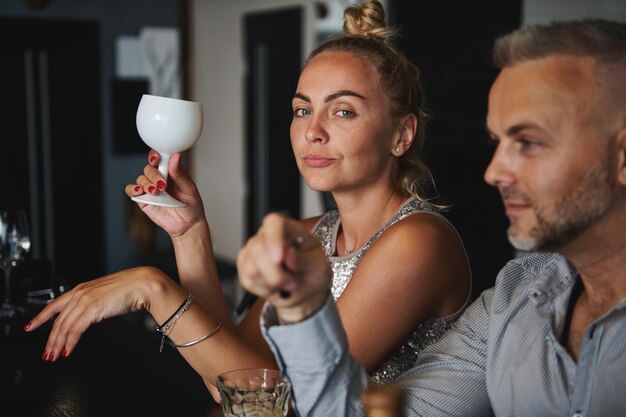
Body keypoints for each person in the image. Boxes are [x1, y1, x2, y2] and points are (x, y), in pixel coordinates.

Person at [24, 0, 471, 398]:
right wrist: (190, 234)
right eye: (302, 110)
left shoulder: (419, 242)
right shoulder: (307, 234)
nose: (312, 130)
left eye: (343, 110)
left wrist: (153, 289)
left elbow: (285, 403)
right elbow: (235, 372)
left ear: (401, 135)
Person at [237, 18, 626, 416]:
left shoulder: (423, 241)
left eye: (528, 142)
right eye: (497, 141)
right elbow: (347, 411)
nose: (494, 172)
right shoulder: (514, 299)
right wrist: (303, 304)